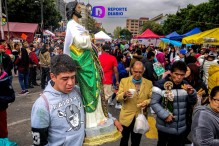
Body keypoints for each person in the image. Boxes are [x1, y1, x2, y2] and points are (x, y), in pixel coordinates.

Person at [63, 1, 121, 145]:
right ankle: (91, 120)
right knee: (89, 88)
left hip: (88, 60)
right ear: (72, 10)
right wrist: (90, 38)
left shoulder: (77, 25)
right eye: (78, 8)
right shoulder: (71, 24)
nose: (80, 10)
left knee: (95, 86)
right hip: (83, 62)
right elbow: (80, 42)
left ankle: (99, 117)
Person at [31, 54, 85, 146]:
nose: (70, 83)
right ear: (53, 77)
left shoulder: (77, 91)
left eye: (73, 77)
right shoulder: (42, 105)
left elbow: (92, 106)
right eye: (65, 78)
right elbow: (39, 142)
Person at [150, 61, 197, 146]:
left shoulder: (186, 85)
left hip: (181, 127)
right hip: (165, 127)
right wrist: (165, 115)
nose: (179, 77)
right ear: (171, 73)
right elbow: (154, 102)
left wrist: (191, 93)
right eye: (176, 74)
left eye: (182, 75)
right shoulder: (160, 85)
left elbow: (192, 102)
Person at [116, 61, 152, 146]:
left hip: (140, 117)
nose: (138, 74)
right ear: (132, 70)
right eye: (135, 71)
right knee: (123, 140)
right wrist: (124, 94)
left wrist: (146, 102)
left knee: (136, 141)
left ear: (143, 71)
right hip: (126, 117)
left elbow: (153, 98)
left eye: (140, 72)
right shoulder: (124, 81)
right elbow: (118, 97)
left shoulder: (148, 83)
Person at [0, 63, 15, 139]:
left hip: (1, 109)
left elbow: (12, 97)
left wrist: (1, 99)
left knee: (2, 130)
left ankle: (4, 141)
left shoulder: (4, 79)